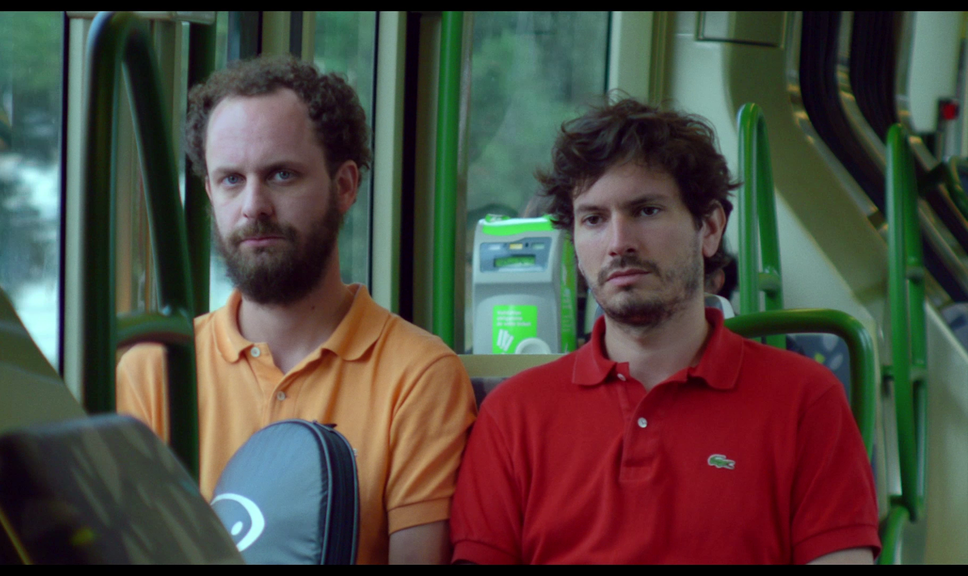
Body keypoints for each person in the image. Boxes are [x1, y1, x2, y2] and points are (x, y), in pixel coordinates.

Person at [449, 97, 880, 564]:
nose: (619, 243)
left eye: (646, 210)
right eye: (593, 219)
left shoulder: (805, 400)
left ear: (709, 228)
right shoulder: (513, 416)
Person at [117, 55, 477, 565]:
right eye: (231, 179)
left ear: (345, 186)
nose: (253, 206)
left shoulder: (418, 376)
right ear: (209, 193)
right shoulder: (152, 369)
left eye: (281, 175)